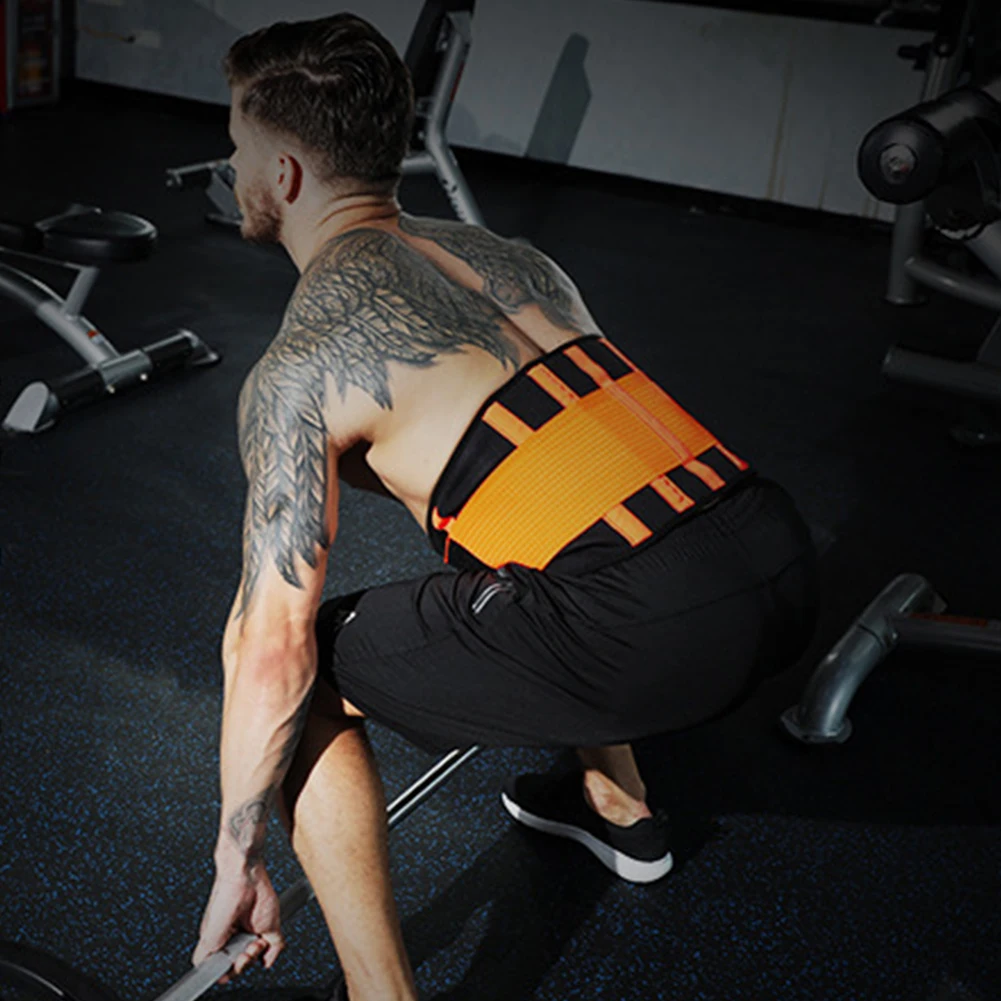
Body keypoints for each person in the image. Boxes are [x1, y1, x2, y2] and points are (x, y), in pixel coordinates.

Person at [190, 13, 819, 1001]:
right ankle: (619, 805)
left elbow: (268, 647)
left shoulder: (303, 366)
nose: (230, 167)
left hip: (648, 633)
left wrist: (239, 845)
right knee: (519, 511)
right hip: (776, 551)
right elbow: (562, 480)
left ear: (285, 172)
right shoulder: (513, 258)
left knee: (308, 668)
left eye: (235, 145)